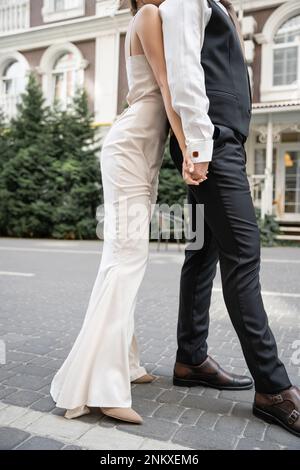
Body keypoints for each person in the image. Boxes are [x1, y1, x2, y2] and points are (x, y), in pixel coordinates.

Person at [50, 0, 200, 425]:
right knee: (126, 259)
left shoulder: (147, 17)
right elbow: (169, 88)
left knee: (125, 258)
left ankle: (125, 363)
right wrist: (192, 146)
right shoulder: (149, 15)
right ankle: (101, 387)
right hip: (132, 148)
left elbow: (145, 91)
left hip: (136, 148)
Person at [159, 0, 300, 437]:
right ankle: (274, 389)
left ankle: (191, 357)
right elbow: (183, 71)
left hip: (220, 139)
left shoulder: (214, 4)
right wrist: (199, 148)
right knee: (243, 255)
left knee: (204, 252)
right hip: (213, 141)